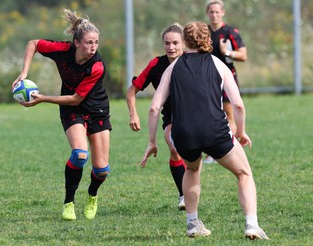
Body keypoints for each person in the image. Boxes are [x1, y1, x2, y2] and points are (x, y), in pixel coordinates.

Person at [140, 21, 269, 240]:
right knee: (244, 173)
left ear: (185, 41)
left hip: (183, 134)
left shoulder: (173, 67)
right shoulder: (218, 64)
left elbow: (154, 108)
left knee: (191, 170)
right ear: (207, 39)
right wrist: (242, 131)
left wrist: (152, 142)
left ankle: (192, 224)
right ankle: (251, 225)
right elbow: (237, 104)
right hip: (215, 131)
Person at [12, 9, 111, 221]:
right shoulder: (62, 50)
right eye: (88, 43)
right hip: (72, 110)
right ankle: (69, 203)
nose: (93, 47)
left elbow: (77, 98)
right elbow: (33, 44)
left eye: (96, 42)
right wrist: (24, 73)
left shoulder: (97, 66)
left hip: (96, 110)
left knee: (102, 170)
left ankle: (92, 195)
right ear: (77, 43)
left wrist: (43, 98)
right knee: (79, 154)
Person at [126, 23, 186, 210]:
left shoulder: (193, 61)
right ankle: (184, 194)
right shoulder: (156, 64)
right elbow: (132, 90)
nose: (171, 47)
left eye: (175, 43)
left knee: (193, 155)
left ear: (184, 43)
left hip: (194, 113)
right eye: (167, 43)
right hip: (171, 115)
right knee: (174, 148)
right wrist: (133, 113)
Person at [204, 0, 248, 164]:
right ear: (207, 13)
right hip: (207, 79)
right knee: (209, 114)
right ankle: (211, 152)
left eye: (217, 12)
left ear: (222, 12)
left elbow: (243, 55)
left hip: (227, 78)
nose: (214, 15)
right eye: (211, 12)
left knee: (229, 114)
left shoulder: (230, 32)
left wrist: (227, 52)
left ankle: (229, 150)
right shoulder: (204, 32)